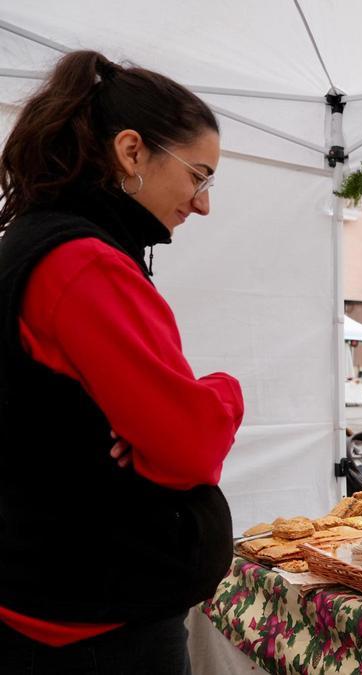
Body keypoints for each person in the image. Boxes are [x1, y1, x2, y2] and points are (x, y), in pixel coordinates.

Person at [0, 51, 244, 672]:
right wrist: (222, 389)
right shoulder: (83, 262)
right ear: (132, 151)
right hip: (97, 629)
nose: (203, 203)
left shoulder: (31, 242)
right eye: (199, 175)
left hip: (47, 598)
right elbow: (189, 442)